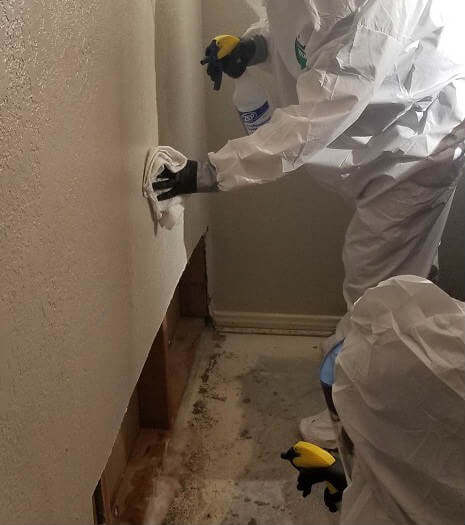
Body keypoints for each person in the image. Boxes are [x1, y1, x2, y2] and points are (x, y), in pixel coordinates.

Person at [154, 0, 465, 444]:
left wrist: (211, 171)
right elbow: (305, 34)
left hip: (415, 149)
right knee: (399, 280)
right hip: (384, 134)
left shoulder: (373, 14)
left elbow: (316, 116)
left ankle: (358, 425)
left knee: (375, 293)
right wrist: (256, 46)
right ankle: (394, 375)